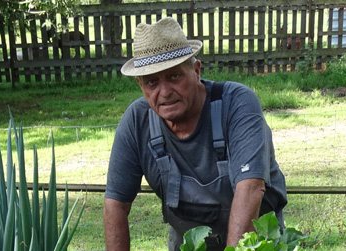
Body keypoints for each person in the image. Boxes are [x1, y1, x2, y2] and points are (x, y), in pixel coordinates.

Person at [104, 17, 288, 251]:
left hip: (253, 243)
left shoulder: (236, 103)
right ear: (141, 85)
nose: (165, 92)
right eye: (152, 82)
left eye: (174, 76)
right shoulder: (137, 121)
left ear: (196, 70)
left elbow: (250, 188)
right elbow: (116, 205)